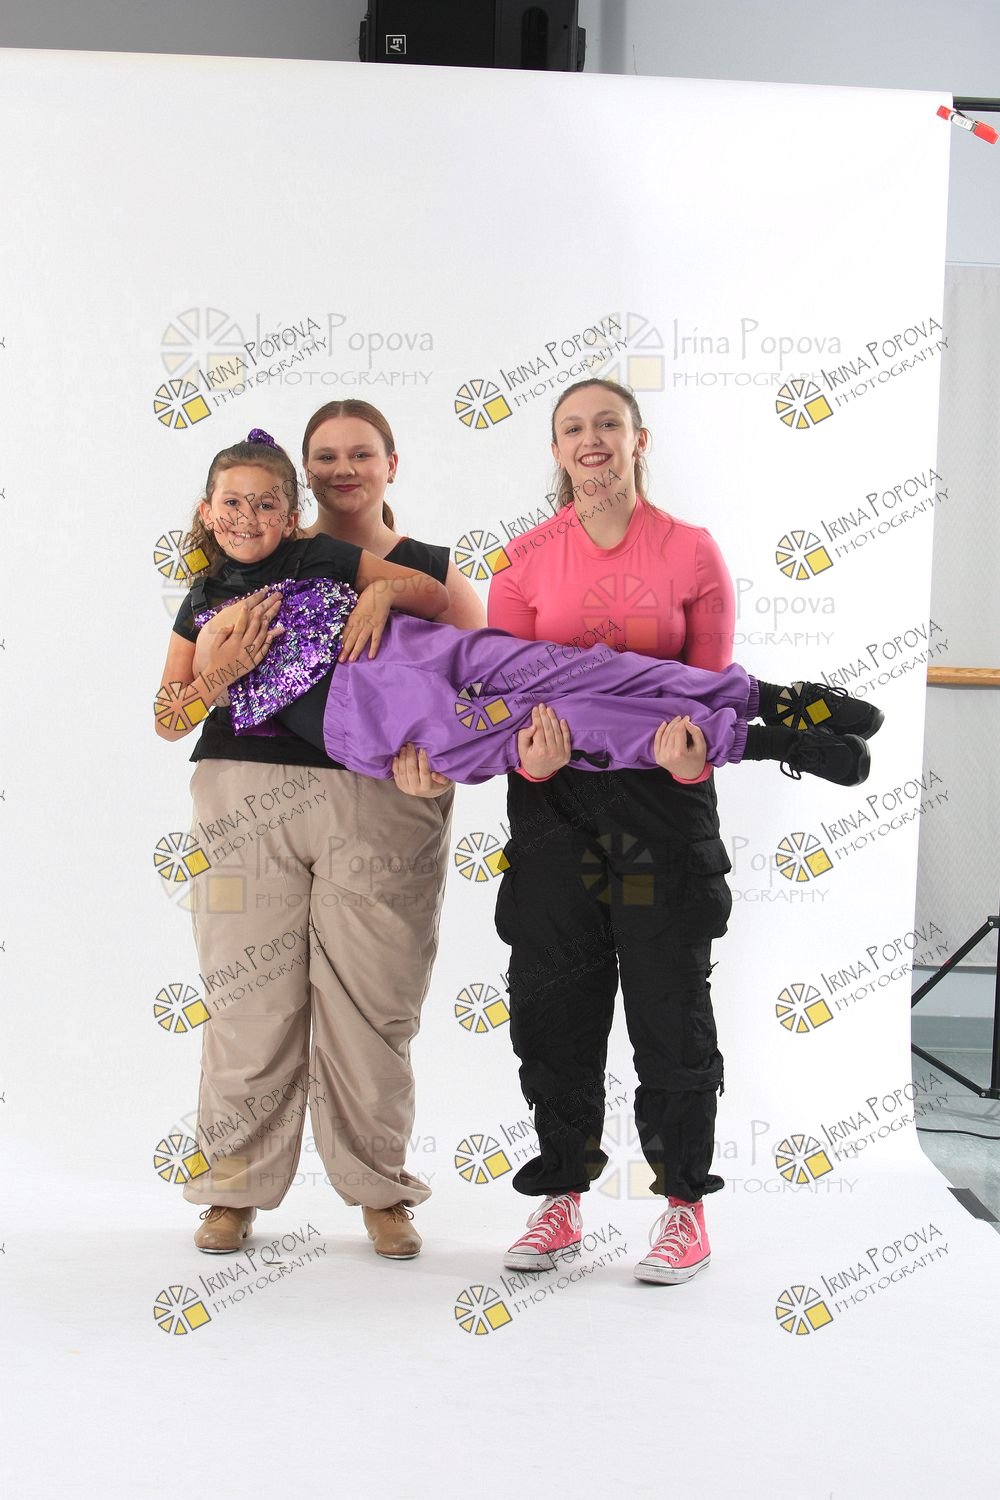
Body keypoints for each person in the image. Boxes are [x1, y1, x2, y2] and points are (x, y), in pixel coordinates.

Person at [482, 376, 817, 1287]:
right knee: (554, 1003)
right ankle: (561, 1195)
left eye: (608, 424)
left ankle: (683, 1209)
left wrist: (692, 763)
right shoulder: (522, 561)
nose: (591, 439)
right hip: (554, 807)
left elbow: (712, 697)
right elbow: (501, 701)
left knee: (669, 1003)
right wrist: (531, 764)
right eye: (573, 428)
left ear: (639, 439)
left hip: (663, 807)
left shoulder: (691, 551)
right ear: (557, 450)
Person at [156, 411, 484, 1260]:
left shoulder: (348, 562)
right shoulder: (205, 592)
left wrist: (382, 591)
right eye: (232, 503)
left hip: (372, 794)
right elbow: (168, 713)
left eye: (361, 453)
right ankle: (232, 1187)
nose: (247, 516)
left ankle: (381, 1189)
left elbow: (472, 667)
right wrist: (220, 675)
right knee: (247, 999)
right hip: (240, 790)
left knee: (374, 1004)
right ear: (208, 510)